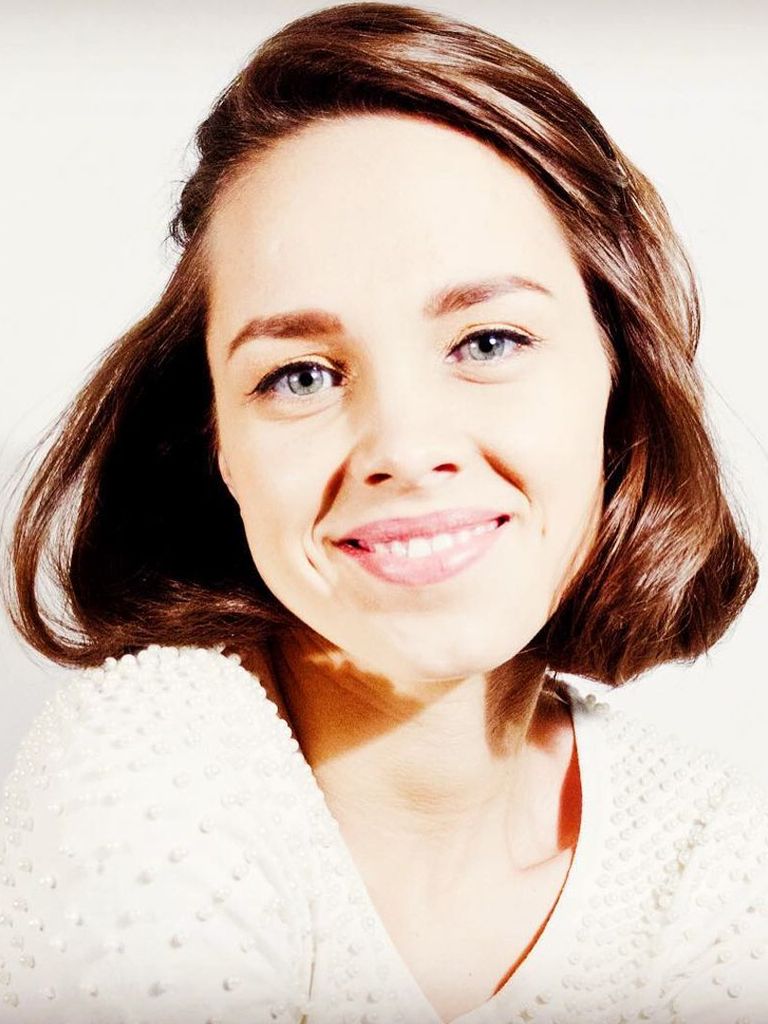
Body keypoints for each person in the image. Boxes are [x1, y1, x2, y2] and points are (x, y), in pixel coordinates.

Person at [1, 3, 766, 1022]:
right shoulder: (153, 760)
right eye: (300, 375)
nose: (403, 448)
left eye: (489, 342)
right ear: (219, 442)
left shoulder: (714, 859)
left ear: (616, 374)